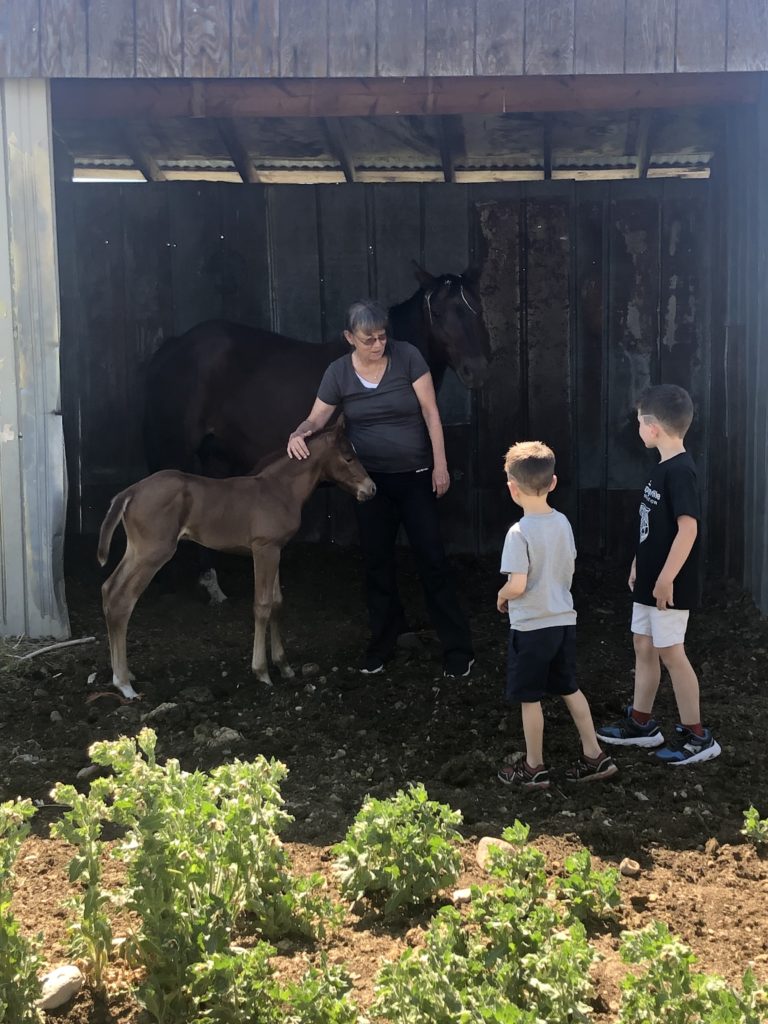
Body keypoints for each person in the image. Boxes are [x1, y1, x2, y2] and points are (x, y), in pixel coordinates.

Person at [286, 299, 474, 678]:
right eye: (368, 339)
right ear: (349, 338)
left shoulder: (408, 358)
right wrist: (298, 433)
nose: (377, 344)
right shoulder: (339, 372)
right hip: (370, 483)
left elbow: (431, 412)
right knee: (377, 563)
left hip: (416, 476)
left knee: (432, 560)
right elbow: (316, 418)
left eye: (382, 336)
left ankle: (457, 648)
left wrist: (440, 465)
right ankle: (384, 641)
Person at [597, 385, 720, 765]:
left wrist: (666, 578)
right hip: (650, 581)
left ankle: (698, 736)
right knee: (643, 644)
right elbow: (653, 526)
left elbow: (688, 529)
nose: (637, 429)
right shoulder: (662, 468)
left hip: (669, 585)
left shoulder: (680, 471)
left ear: (652, 427)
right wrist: (639, 562)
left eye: (639, 423)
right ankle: (642, 724)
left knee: (671, 652)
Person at [496, 441, 618, 789]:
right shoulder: (562, 523)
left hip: (531, 627)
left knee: (530, 698)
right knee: (570, 688)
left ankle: (534, 766)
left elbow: (517, 585)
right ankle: (595, 754)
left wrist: (502, 595)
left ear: (512, 489)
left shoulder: (518, 533)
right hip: (563, 621)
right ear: (553, 483)